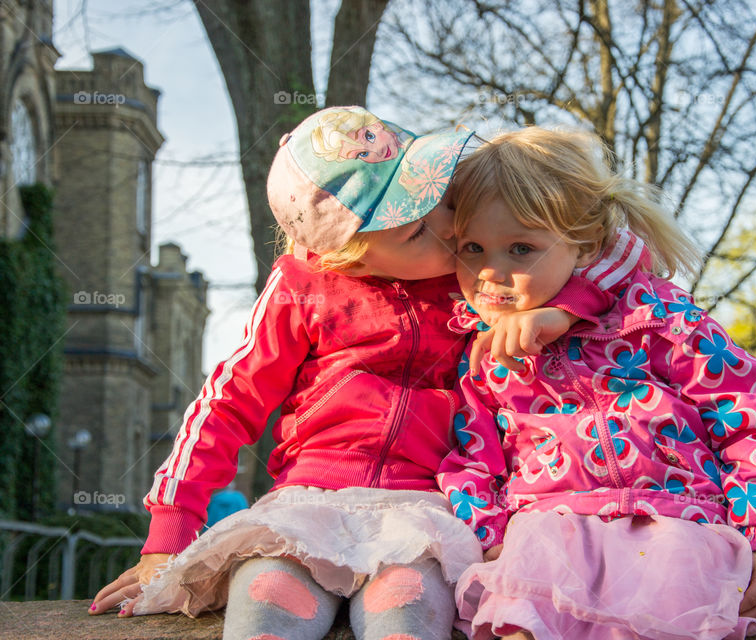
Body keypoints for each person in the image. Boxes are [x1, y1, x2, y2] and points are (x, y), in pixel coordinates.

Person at [88, 107, 586, 640]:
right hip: (309, 500)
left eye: (443, 200)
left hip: (427, 505)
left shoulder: (481, 284)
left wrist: (566, 308)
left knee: (406, 606)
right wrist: (169, 531)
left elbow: (608, 259)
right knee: (270, 597)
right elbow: (227, 403)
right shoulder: (302, 291)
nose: (448, 226)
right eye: (418, 228)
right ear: (349, 257)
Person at [437, 127, 756, 640]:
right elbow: (470, 458)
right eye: (472, 246)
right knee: (524, 623)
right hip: (549, 532)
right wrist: (489, 537)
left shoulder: (657, 319)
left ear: (585, 246)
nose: (491, 272)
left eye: (520, 247)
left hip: (679, 526)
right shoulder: (481, 355)